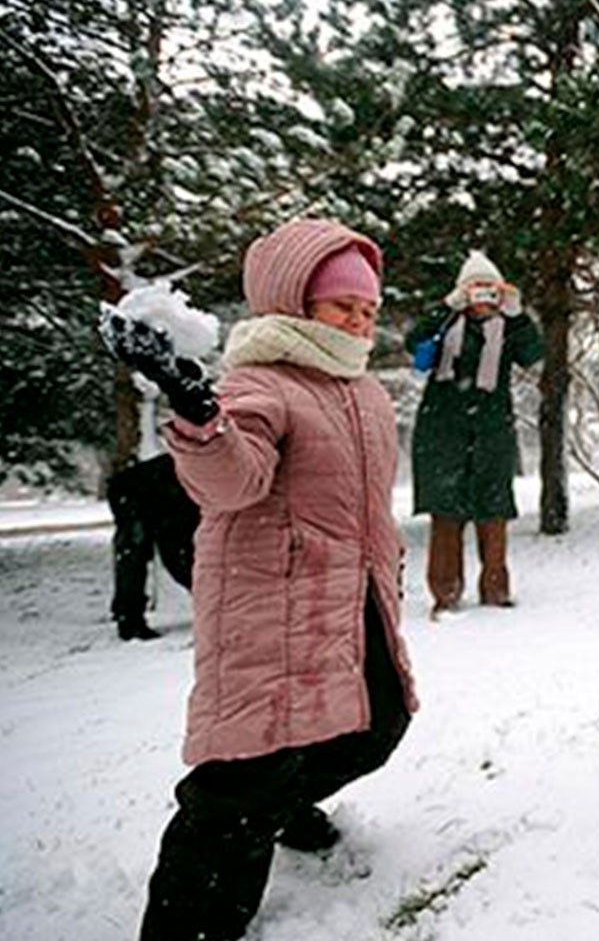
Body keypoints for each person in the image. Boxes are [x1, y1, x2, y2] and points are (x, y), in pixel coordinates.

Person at [104, 217, 419, 941]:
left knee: (376, 725)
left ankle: (280, 809)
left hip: (352, 601)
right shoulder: (261, 383)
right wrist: (197, 412)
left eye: (368, 307)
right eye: (343, 305)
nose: (360, 318)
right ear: (293, 303)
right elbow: (230, 483)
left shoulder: (364, 393)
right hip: (269, 609)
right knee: (241, 784)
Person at [406, 249, 543, 617]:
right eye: (475, 290)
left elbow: (533, 353)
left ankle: (496, 591)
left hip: (491, 431)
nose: (483, 300)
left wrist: (517, 314)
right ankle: (445, 594)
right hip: (442, 431)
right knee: (446, 514)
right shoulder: (446, 323)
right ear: (463, 292)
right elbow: (413, 343)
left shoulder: (508, 328)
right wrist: (445, 307)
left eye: (490, 291)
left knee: (493, 511)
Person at [107, 452, 198, 641]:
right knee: (135, 553)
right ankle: (129, 621)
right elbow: (179, 557)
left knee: (136, 554)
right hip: (137, 492)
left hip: (150, 491)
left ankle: (125, 612)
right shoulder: (191, 490)